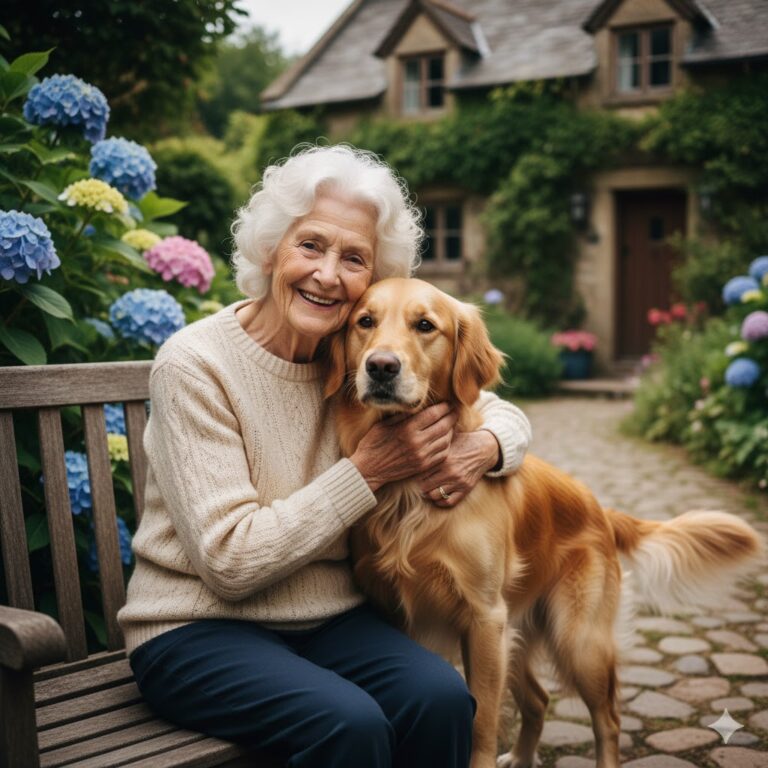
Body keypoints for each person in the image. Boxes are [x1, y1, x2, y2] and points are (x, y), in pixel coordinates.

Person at [117, 144, 532, 768]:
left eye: (354, 258)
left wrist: (486, 445)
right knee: (351, 724)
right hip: (194, 629)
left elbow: (488, 403)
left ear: (373, 280)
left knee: (443, 698)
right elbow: (229, 563)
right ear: (270, 250)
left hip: (328, 621)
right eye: (310, 246)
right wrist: (366, 472)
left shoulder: (354, 350)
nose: (328, 274)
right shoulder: (195, 365)